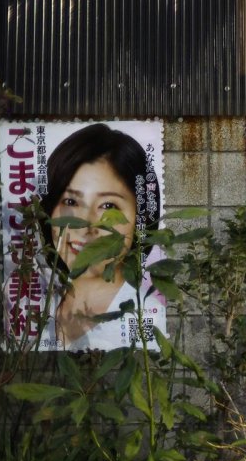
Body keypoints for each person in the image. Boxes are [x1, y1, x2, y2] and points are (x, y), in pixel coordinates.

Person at [40, 123, 164, 351]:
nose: (87, 225)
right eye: (70, 202)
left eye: (108, 205)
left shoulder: (147, 314)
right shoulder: (32, 310)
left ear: (141, 219)